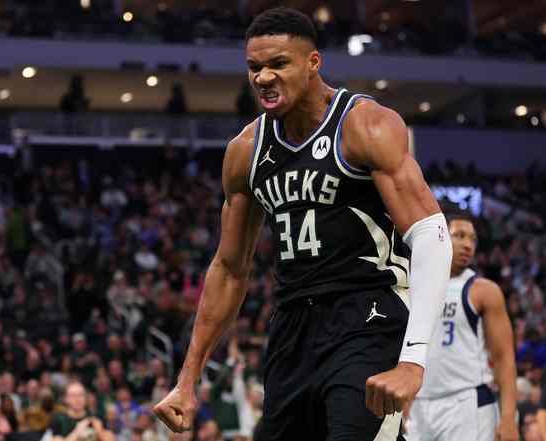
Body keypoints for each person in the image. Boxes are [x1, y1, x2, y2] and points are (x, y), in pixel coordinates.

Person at [153, 7, 453, 440]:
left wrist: (413, 360)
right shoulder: (245, 150)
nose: (263, 77)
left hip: (367, 312)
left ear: (313, 63)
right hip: (292, 326)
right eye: (254, 67)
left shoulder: (364, 124)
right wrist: (187, 379)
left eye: (278, 64)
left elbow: (431, 235)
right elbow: (229, 269)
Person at [404, 211, 518, 441]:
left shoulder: (484, 290)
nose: (468, 245)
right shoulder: (413, 285)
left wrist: (508, 418)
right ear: (441, 237)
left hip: (467, 402)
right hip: (420, 403)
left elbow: (504, 357)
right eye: (459, 236)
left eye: (472, 239)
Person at [50, 381, 115, 441]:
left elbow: (111, 438)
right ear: (66, 398)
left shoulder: (96, 417)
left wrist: (100, 431)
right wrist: (77, 432)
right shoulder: (59, 420)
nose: (77, 399)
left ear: (85, 397)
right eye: (73, 395)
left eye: (80, 395)